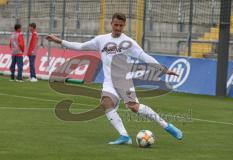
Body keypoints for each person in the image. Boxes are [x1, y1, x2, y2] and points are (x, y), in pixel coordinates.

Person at [46, 13, 183, 145]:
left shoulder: (128, 42)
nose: (118, 28)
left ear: (124, 26)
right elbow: (81, 47)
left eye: (121, 26)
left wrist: (163, 69)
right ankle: (124, 136)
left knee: (133, 107)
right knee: (106, 103)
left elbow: (144, 56)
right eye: (116, 25)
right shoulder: (101, 40)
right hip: (109, 82)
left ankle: (167, 126)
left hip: (124, 81)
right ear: (111, 23)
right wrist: (59, 41)